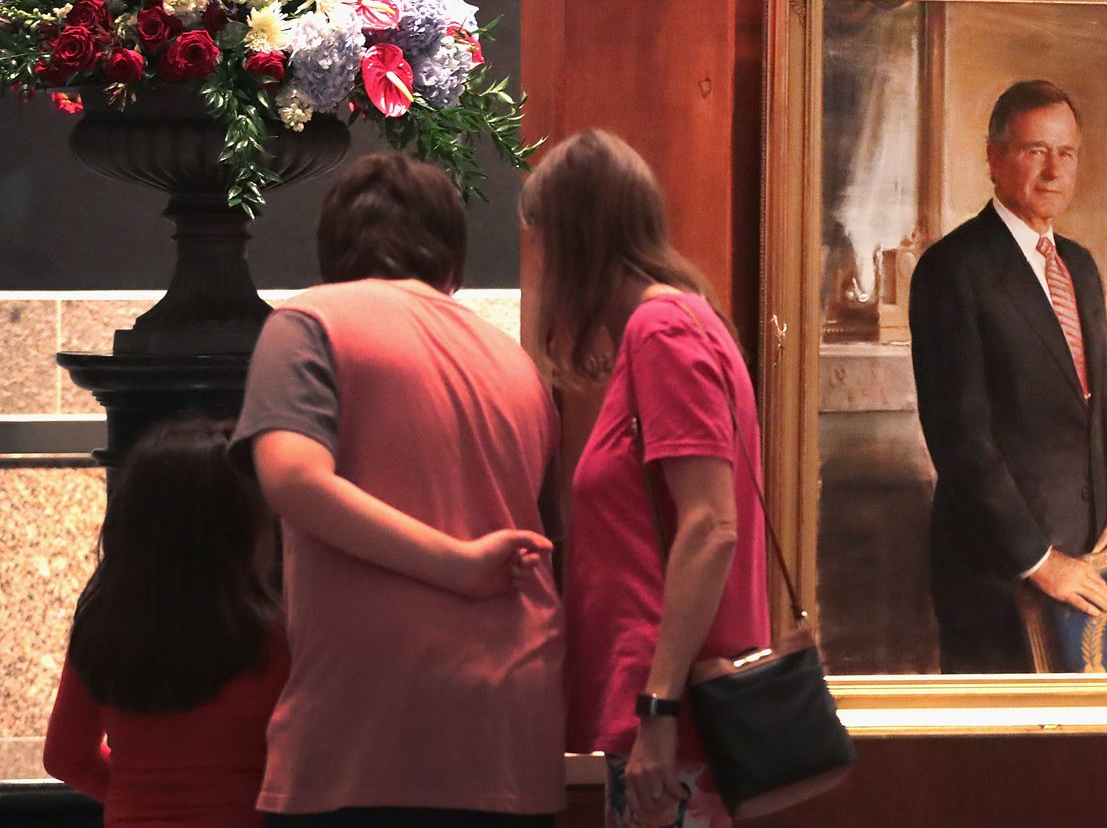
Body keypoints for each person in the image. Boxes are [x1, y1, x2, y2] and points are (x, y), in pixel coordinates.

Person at [233, 153, 564, 827]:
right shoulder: (518, 364)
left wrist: (455, 563)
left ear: (332, 249)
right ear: (454, 260)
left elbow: (294, 479)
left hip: (367, 733)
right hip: (511, 728)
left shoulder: (308, 322)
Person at [521, 130, 769, 828]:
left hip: (674, 724)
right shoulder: (671, 324)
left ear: (575, 239)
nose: (539, 261)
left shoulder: (663, 330)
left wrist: (657, 709)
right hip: (665, 716)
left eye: (542, 237)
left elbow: (711, 525)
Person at [908, 79, 1107, 674]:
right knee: (1008, 763)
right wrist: (1041, 563)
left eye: (1066, 154)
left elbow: (1105, 404)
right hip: (997, 576)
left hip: (1090, 562)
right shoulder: (951, 269)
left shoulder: (1081, 267)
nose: (1052, 170)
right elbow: (961, 443)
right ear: (993, 158)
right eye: (1035, 150)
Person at [44, 418, 288, 828]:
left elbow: (66, 758)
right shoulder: (278, 640)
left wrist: (139, 798)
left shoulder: (103, 633)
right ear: (240, 532)